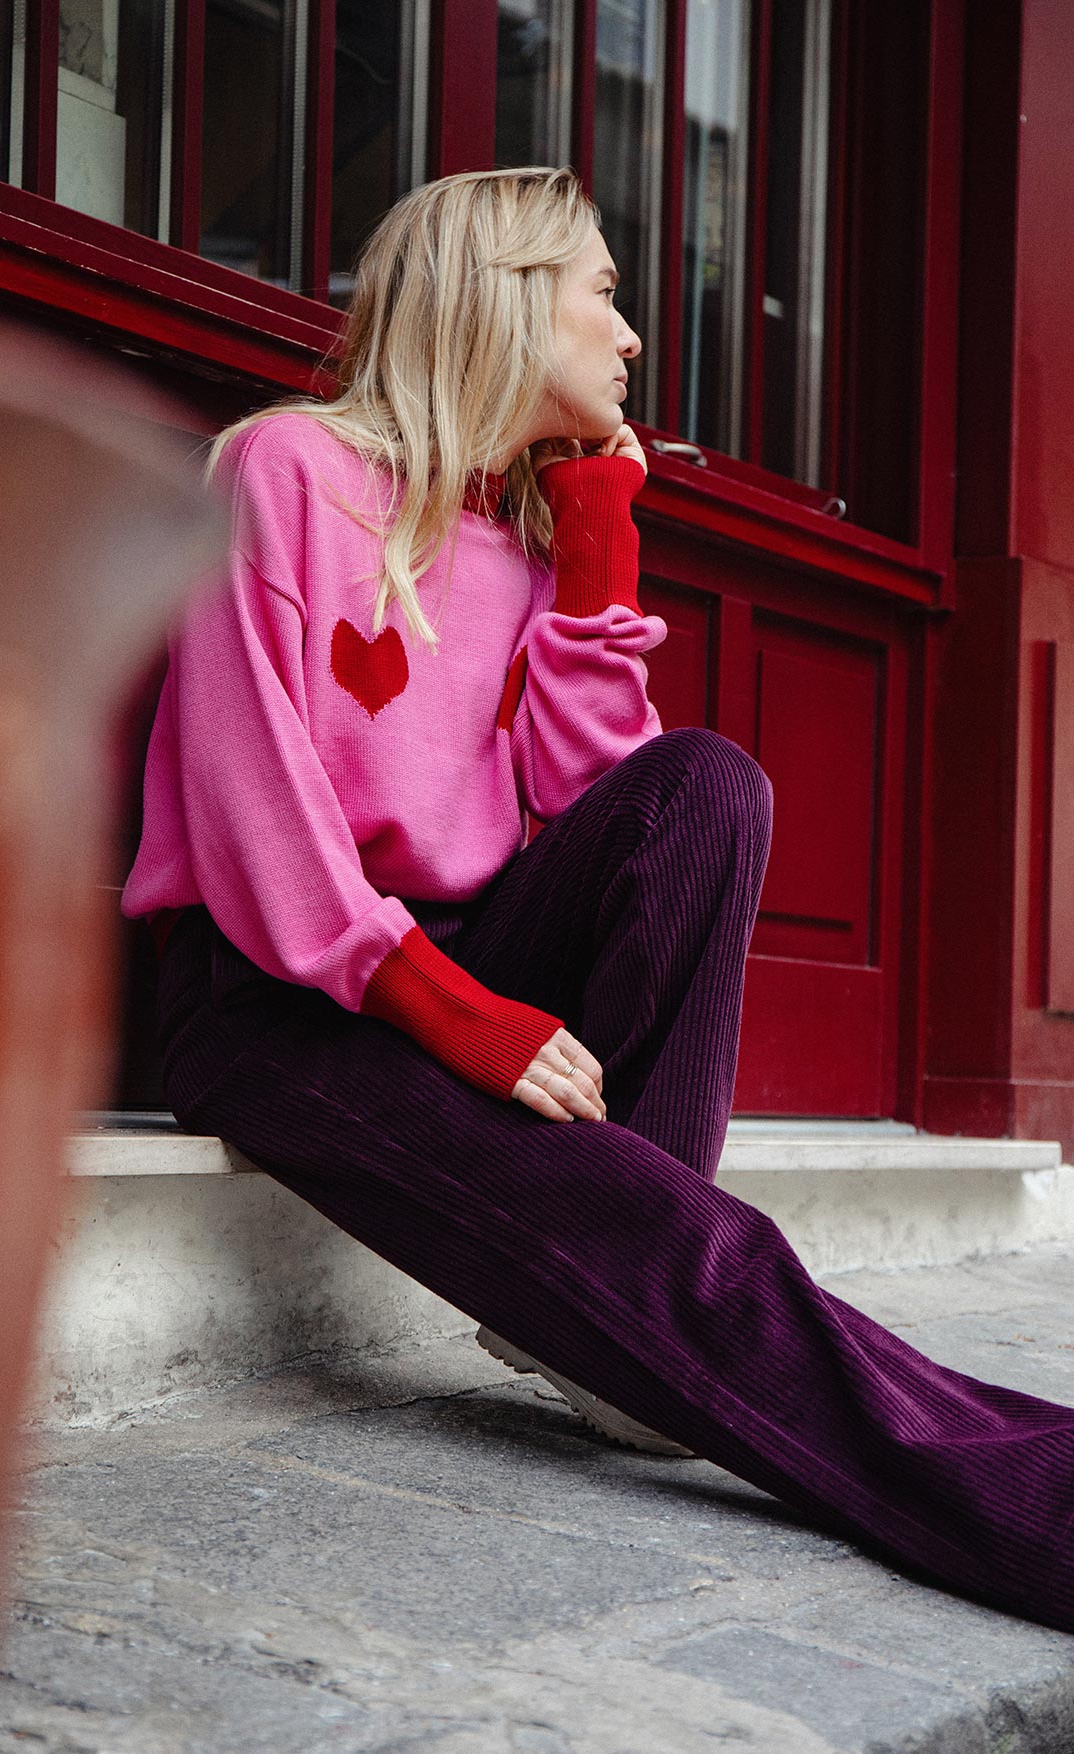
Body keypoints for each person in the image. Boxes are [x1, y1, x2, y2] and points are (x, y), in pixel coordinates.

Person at [123, 167, 1074, 1634]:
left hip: (462, 948)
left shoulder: (522, 538)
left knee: (708, 787)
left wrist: (598, 543)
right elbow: (250, 799)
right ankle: (1022, 1511)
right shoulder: (283, 472)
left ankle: (610, 1308)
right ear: (506, 297)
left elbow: (600, 797)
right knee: (694, 1253)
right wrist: (445, 1008)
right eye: (604, 292)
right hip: (275, 993)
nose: (630, 337)